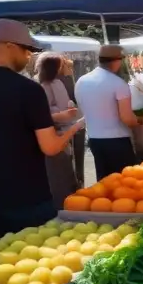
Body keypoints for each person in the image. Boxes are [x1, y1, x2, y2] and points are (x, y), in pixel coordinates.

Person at [0, 19, 83, 241]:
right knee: (38, 262)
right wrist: (75, 127)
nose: (29, 56)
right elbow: (50, 147)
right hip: (29, 197)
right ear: (10, 45)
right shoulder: (29, 90)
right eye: (27, 49)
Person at [75, 45, 138, 178]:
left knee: (104, 181)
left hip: (94, 138)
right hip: (117, 140)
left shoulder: (81, 81)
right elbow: (127, 118)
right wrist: (138, 122)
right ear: (117, 61)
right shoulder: (118, 83)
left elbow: (82, 109)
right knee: (124, 181)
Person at [37, 54, 80, 208]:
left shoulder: (58, 82)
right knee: (59, 175)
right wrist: (63, 114)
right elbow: (42, 115)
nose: (65, 67)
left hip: (66, 131)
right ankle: (62, 206)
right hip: (56, 134)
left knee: (68, 171)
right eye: (62, 65)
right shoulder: (43, 86)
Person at [57, 57, 85, 187]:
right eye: (69, 67)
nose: (71, 70)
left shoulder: (66, 80)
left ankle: (78, 181)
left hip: (72, 122)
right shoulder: (64, 81)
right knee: (75, 158)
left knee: (75, 158)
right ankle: (78, 182)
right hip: (71, 124)